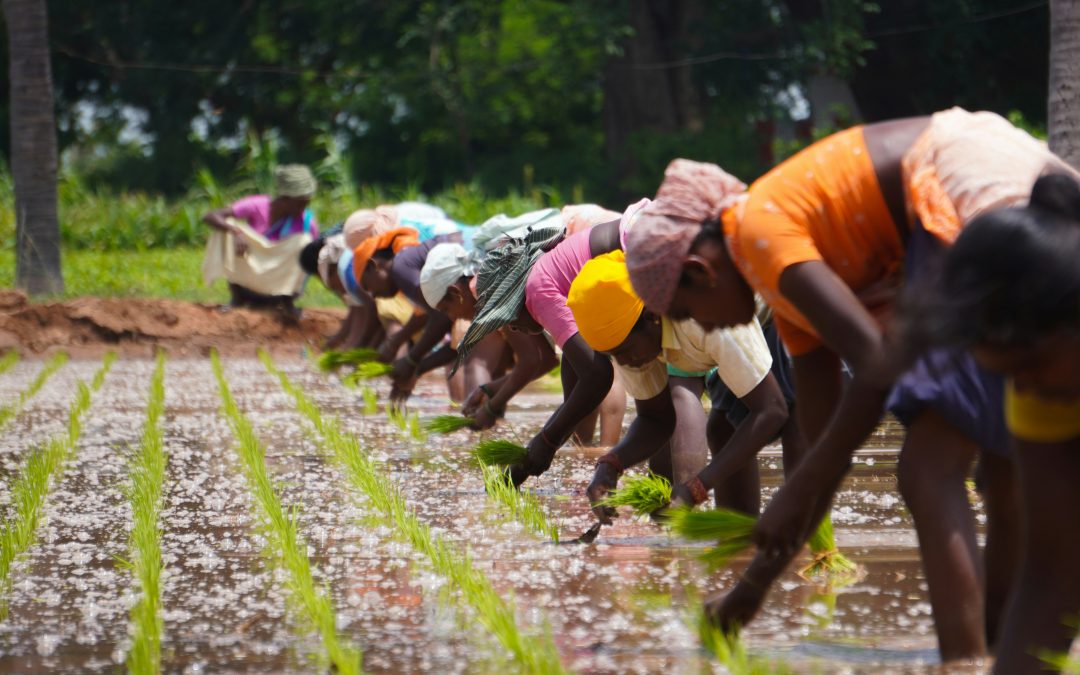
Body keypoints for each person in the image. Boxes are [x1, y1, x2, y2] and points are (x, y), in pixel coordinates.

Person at [624, 108, 1079, 661]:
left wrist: (799, 487)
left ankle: (966, 659)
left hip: (958, 179)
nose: (706, 327)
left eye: (687, 310)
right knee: (996, 465)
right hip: (976, 173)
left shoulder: (762, 232)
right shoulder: (788, 293)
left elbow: (875, 362)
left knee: (930, 465)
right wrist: (751, 592)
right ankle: (992, 646)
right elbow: (824, 446)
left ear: (700, 269)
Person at [906, 173, 1080, 674]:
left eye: (1029, 369)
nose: (1023, 392)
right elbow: (1051, 573)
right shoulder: (1042, 380)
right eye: (1007, 376)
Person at [566, 250, 788, 520]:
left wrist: (697, 487)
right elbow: (654, 420)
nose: (623, 362)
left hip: (785, 302)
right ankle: (739, 543)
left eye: (625, 350)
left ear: (651, 317)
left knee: (798, 430)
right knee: (723, 428)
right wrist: (610, 465)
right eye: (614, 355)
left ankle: (807, 547)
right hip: (743, 323)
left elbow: (772, 410)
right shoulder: (630, 335)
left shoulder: (706, 314)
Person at [456, 203, 643, 487]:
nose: (512, 328)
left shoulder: (538, 290)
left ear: (516, 298)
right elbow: (576, 385)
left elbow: (598, 374)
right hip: (641, 242)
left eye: (507, 318)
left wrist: (545, 441)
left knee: (667, 396)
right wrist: (543, 454)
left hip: (644, 248)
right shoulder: (552, 281)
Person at [420, 242, 558, 430]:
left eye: (447, 309)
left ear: (456, 292)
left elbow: (532, 360)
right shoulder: (488, 289)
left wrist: (491, 407)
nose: (452, 317)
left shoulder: (492, 294)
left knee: (583, 374)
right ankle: (588, 448)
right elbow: (547, 360)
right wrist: (488, 390)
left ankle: (599, 449)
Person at [203, 164, 320, 317]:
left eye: (307, 203)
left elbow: (314, 262)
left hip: (277, 292)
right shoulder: (258, 205)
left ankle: (287, 303)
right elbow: (210, 216)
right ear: (285, 198)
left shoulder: (307, 223)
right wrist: (236, 232)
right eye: (300, 203)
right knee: (229, 225)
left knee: (305, 242)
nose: (304, 208)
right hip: (247, 287)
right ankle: (237, 299)